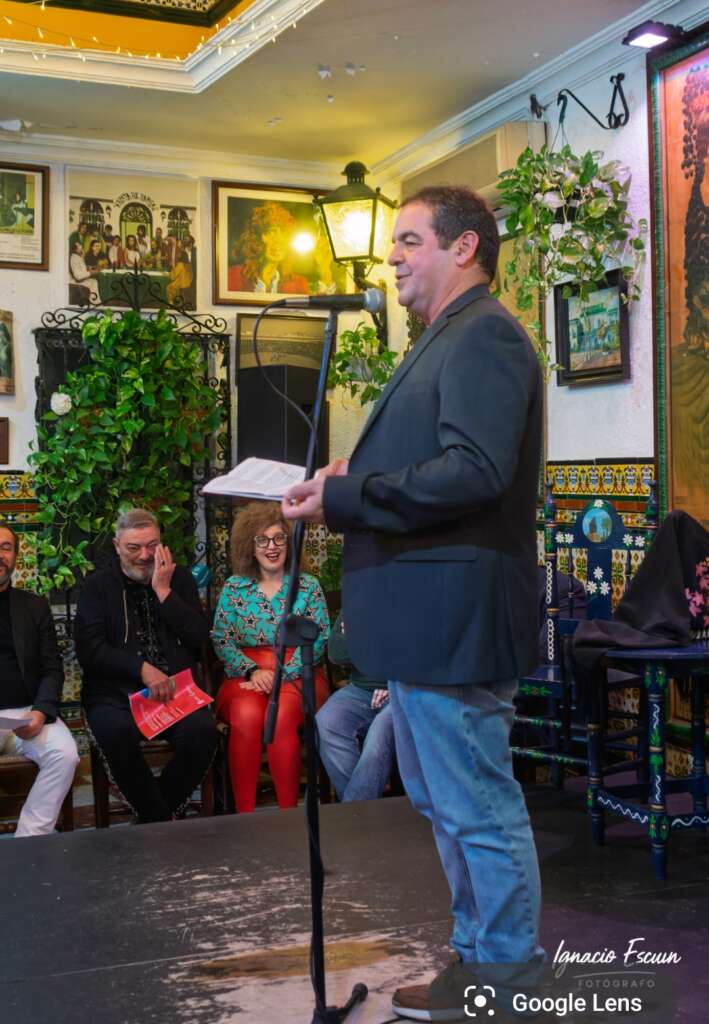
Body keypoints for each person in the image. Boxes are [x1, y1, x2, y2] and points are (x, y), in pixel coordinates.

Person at [283, 185, 544, 1020]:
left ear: (463, 247)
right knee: (446, 805)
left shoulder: (483, 335)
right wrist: (346, 479)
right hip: (428, 622)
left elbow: (475, 472)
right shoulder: (445, 338)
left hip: (453, 618)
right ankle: (478, 958)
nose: (391, 257)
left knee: (477, 807)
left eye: (407, 240)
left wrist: (348, 496)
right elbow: (436, 461)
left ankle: (506, 976)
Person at [74, 509, 218, 824]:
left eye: (152, 546)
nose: (144, 556)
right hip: (116, 695)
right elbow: (90, 650)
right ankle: (160, 820)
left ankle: (151, 821)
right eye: (133, 548)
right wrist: (141, 669)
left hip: (174, 692)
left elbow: (198, 635)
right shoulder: (97, 586)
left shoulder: (178, 579)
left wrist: (164, 592)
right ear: (117, 546)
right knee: (115, 733)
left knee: (203, 733)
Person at [211, 502, 330, 813]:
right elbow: (221, 638)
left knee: (281, 717)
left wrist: (281, 674)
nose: (271, 547)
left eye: (278, 538)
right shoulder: (234, 588)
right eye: (262, 540)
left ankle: (287, 816)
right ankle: (246, 816)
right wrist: (252, 671)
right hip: (245, 676)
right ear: (249, 546)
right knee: (247, 716)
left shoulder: (308, 586)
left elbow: (319, 638)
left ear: (289, 543)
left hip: (300, 672)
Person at [0, 524, 79, 837]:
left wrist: (40, 712)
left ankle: (28, 840)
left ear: (15, 556)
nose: (0, 554)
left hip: (27, 714)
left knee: (65, 754)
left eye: (6, 547)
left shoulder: (33, 606)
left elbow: (52, 669)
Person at [316, 611, 395, 802]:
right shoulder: (357, 600)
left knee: (381, 729)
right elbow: (337, 652)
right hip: (360, 689)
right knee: (327, 720)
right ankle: (362, 802)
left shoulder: (411, 599)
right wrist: (384, 640)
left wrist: (361, 637)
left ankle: (354, 811)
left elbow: (416, 650)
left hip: (405, 688)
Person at [227, 201, 311, 294]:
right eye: (271, 232)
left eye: (284, 233)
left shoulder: (299, 285)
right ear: (256, 237)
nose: (279, 241)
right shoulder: (232, 277)